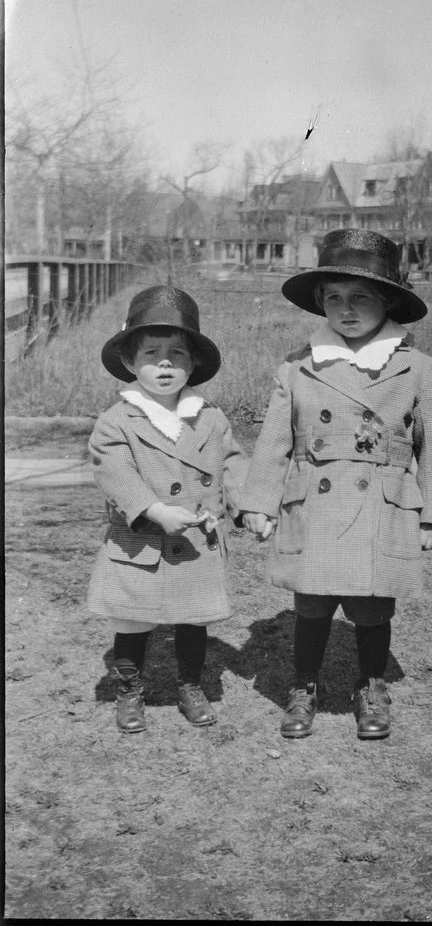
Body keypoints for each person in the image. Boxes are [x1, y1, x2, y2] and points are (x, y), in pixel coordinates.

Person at [241, 229, 432, 741]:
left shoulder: (417, 367)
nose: (346, 309)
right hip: (314, 501)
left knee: (373, 606)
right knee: (312, 602)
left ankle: (371, 686)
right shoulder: (297, 367)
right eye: (333, 297)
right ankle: (303, 686)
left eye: (361, 297)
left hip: (383, 504)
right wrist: (259, 503)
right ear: (320, 304)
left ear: (388, 301)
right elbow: (275, 441)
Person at [87, 285, 248, 734]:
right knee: (133, 621)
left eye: (177, 353)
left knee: (193, 618)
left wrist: (250, 507)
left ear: (193, 364)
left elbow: (232, 463)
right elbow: (113, 471)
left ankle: (190, 685)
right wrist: (155, 510)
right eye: (151, 352)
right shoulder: (116, 419)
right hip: (139, 541)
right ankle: (129, 690)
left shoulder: (210, 417)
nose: (164, 363)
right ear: (128, 362)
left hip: (196, 539)